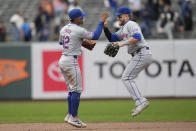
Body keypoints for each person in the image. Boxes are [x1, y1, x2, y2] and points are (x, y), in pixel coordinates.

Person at [58, 9, 108, 127]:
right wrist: (101, 22)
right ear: (75, 19)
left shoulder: (64, 28)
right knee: (77, 90)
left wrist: (78, 41)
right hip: (71, 61)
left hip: (63, 59)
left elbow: (61, 42)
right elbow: (95, 35)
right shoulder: (78, 29)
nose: (82, 19)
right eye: (81, 17)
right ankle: (74, 118)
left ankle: (69, 115)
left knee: (72, 89)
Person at [103, 7, 153, 117]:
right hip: (139, 54)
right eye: (117, 16)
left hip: (141, 53)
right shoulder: (124, 28)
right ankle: (140, 101)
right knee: (127, 77)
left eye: (119, 16)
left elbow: (137, 37)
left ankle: (141, 101)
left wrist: (121, 44)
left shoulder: (131, 24)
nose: (118, 18)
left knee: (126, 77)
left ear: (126, 16)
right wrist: (105, 27)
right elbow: (112, 38)